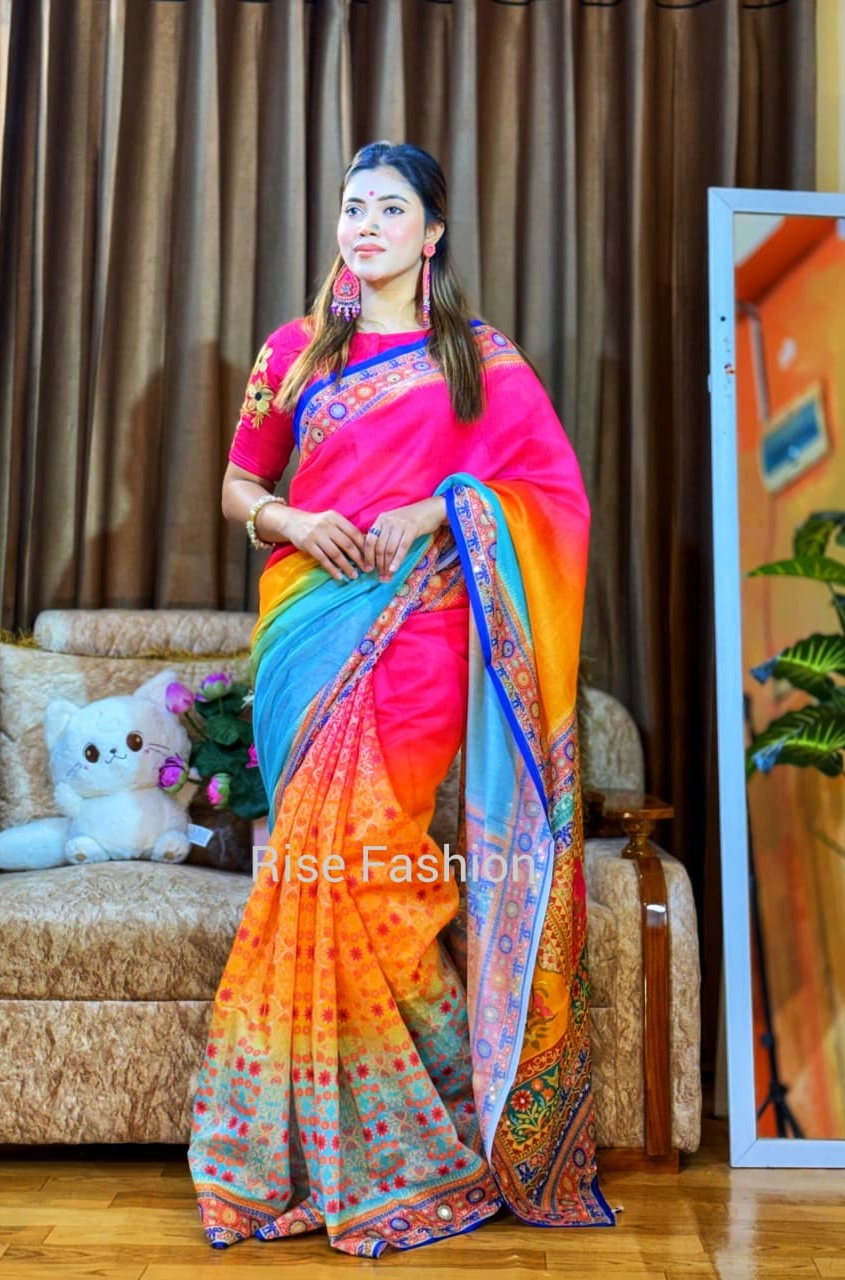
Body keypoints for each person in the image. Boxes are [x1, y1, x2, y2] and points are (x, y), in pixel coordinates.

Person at [187, 140, 614, 1256]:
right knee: (317, 862)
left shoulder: (478, 357)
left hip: (424, 629)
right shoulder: (292, 352)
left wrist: (442, 508)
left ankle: (439, 1124)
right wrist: (289, 518)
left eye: (389, 208)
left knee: (377, 859)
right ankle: (345, 1141)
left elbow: (551, 492)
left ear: (432, 235)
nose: (364, 225)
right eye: (351, 206)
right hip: (307, 634)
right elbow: (238, 483)